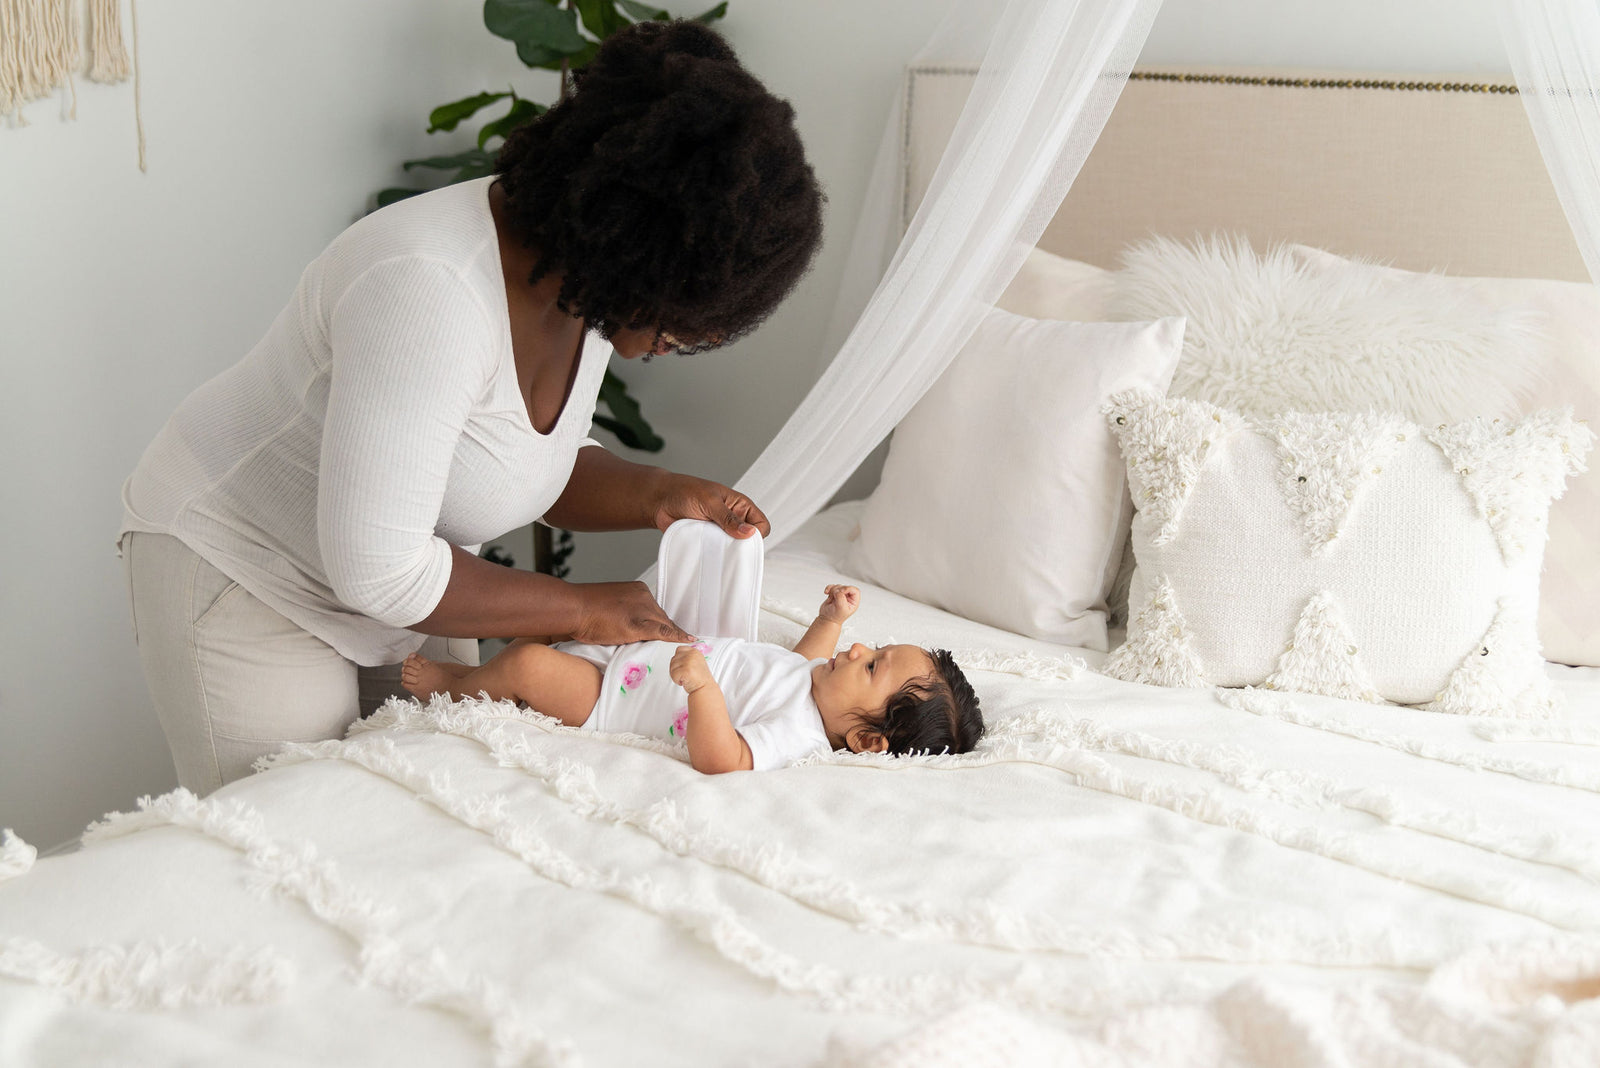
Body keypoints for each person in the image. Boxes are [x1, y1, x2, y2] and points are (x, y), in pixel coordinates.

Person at [117, 19, 825, 794]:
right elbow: (379, 568)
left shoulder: (581, 283)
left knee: (433, 806)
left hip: (403, 574)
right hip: (250, 568)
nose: (690, 336)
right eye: (688, 318)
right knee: (286, 840)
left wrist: (659, 496)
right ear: (641, 246)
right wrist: (581, 610)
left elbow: (518, 460)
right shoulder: (430, 288)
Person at [400, 585, 986, 772]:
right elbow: (803, 657)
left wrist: (705, 691)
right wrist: (829, 620)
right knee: (546, 632)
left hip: (612, 703)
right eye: (875, 647)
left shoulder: (800, 733)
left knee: (528, 664)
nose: (859, 648)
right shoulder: (817, 682)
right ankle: (484, 668)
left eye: (874, 665)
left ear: (865, 740)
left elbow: (724, 759)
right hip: (636, 660)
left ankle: (456, 682)